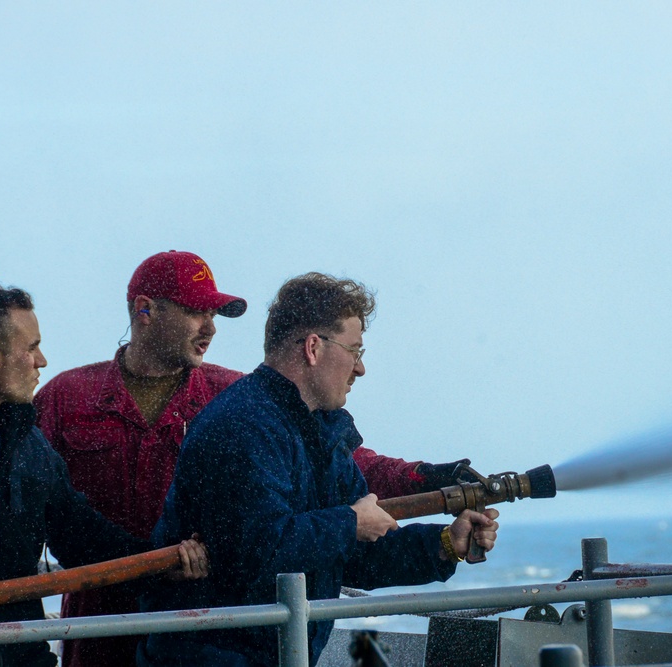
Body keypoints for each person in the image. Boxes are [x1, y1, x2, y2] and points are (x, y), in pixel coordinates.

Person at [34, 251, 472, 667]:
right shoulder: (66, 397)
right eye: (196, 312)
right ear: (145, 310)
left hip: (198, 615)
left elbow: (354, 476)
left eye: (214, 315)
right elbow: (45, 514)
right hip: (108, 616)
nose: (210, 328)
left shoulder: (242, 398)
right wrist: (148, 563)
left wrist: (434, 508)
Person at [137, 272, 500, 666]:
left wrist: (446, 544)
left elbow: (353, 554)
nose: (360, 369)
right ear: (313, 347)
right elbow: (256, 551)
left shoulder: (320, 431)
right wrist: (349, 523)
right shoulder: (243, 425)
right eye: (355, 351)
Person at [0, 284, 207, 667]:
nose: (42, 361)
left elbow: (82, 536)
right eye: (31, 348)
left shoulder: (28, 446)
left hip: (25, 657)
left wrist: (165, 564)